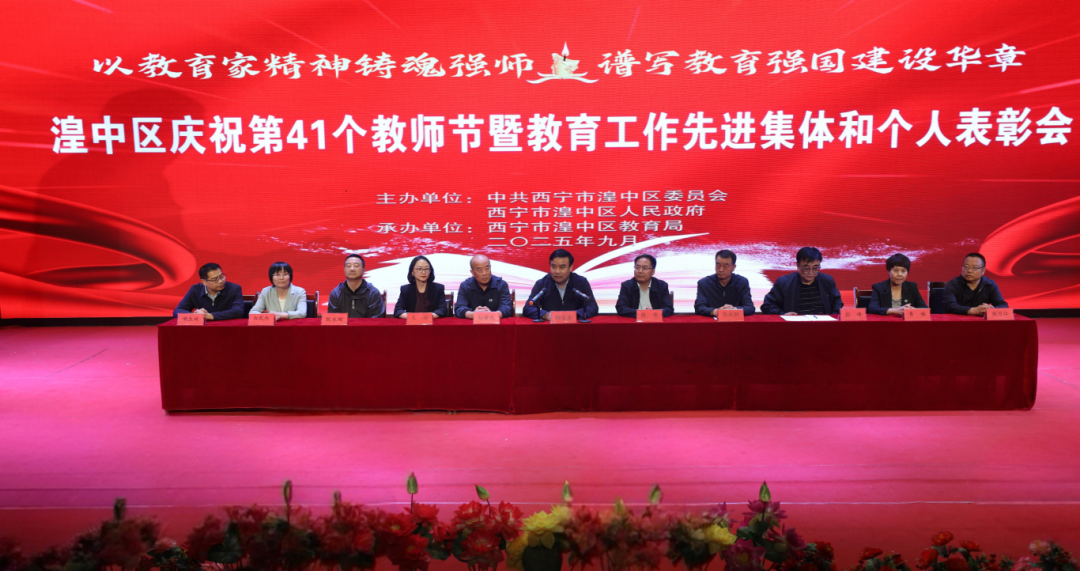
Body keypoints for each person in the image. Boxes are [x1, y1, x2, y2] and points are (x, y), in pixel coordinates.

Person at [760, 247, 843, 315]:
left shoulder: (827, 281)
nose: (811, 272)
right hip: (795, 326)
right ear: (798, 265)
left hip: (824, 325)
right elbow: (767, 306)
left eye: (815, 268)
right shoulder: (783, 283)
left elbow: (837, 304)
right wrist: (783, 314)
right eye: (806, 268)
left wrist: (833, 319)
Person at [522, 248, 599, 321]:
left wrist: (574, 315)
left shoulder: (581, 282)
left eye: (562, 267)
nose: (557, 271)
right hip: (550, 327)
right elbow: (528, 308)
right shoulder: (542, 284)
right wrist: (546, 315)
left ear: (570, 267)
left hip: (575, 327)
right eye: (553, 267)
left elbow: (592, 307)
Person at [943, 252, 1009, 316]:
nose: (969, 271)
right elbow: (949, 306)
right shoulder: (953, 284)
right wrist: (974, 310)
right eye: (966, 267)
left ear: (983, 271)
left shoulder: (990, 284)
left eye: (974, 268)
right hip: (958, 321)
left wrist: (991, 310)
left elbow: (1003, 305)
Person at [694, 249, 755, 317]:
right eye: (718, 265)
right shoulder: (704, 283)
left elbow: (750, 308)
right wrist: (715, 311)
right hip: (712, 322)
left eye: (725, 266)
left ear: (733, 267)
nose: (721, 270)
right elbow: (699, 308)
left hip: (735, 322)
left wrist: (734, 310)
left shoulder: (742, 282)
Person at [173, 262, 244, 320]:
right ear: (204, 282)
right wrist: (195, 316)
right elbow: (178, 310)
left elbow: (238, 311)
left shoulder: (234, 289)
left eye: (221, 277)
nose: (220, 281)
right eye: (215, 279)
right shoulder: (195, 290)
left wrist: (210, 316)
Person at [454, 254, 513, 318]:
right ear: (472, 272)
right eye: (479, 270)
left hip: (495, 323)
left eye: (487, 268)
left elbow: (507, 308)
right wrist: (474, 314)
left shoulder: (501, 284)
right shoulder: (465, 286)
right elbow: (459, 308)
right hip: (472, 323)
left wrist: (491, 315)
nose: (484, 273)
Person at [327, 253, 385, 318]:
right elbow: (333, 320)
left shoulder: (373, 293)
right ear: (344, 270)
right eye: (348, 266)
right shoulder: (336, 293)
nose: (352, 269)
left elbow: (376, 320)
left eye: (356, 266)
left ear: (364, 270)